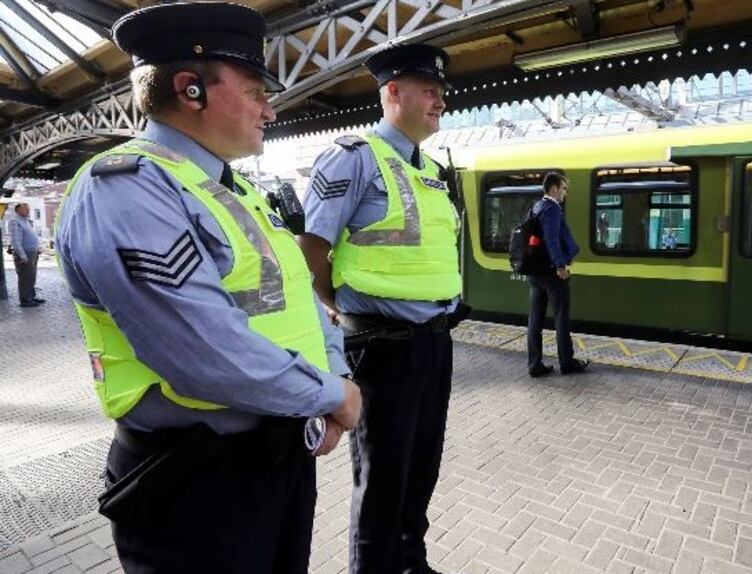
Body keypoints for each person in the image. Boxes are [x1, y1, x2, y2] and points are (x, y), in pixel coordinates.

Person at [55, 4, 361, 573]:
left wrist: (336, 372)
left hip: (273, 457)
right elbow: (201, 351)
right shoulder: (126, 188)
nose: (271, 110)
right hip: (194, 479)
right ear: (190, 88)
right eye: (254, 91)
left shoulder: (232, 189)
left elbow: (297, 290)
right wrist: (332, 395)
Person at [298, 43, 465, 574]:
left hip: (434, 343)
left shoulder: (433, 170)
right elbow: (311, 251)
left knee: (422, 469)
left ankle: (411, 563)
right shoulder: (353, 157)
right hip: (381, 348)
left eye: (442, 92)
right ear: (392, 91)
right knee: (382, 479)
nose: (441, 100)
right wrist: (338, 307)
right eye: (430, 91)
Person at [526, 172, 590, 378]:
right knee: (561, 318)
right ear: (553, 189)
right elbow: (552, 240)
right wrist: (561, 266)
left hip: (535, 274)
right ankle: (567, 362)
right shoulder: (552, 209)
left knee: (535, 320)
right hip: (552, 274)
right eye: (563, 189)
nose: (565, 193)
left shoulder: (536, 207)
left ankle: (534, 364)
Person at [7, 201, 44, 307]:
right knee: (25, 278)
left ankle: (31, 297)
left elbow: (32, 237)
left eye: (28, 209)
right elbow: (16, 241)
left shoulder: (27, 221)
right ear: (17, 210)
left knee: (31, 276)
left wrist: (37, 248)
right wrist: (23, 256)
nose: (28, 210)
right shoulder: (15, 222)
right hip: (25, 254)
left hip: (32, 253)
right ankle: (25, 301)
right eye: (25, 208)